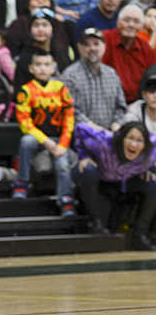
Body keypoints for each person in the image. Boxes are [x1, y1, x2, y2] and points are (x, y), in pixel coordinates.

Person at [73, 121, 156, 249]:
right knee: (88, 170)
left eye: (139, 141)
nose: (134, 144)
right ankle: (96, 223)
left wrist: (148, 167)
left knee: (153, 183)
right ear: (122, 138)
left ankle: (140, 234)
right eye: (130, 138)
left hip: (126, 181)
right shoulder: (104, 142)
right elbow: (80, 128)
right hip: (101, 179)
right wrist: (83, 155)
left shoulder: (152, 148)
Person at [13, 51, 75, 212]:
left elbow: (69, 119)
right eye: (38, 65)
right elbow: (25, 123)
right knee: (26, 141)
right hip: (38, 140)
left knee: (62, 165)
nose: (42, 69)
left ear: (53, 68)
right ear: (31, 68)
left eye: (47, 65)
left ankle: (66, 200)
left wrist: (62, 145)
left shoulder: (61, 88)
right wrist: (46, 142)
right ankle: (21, 183)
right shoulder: (26, 90)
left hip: (58, 140)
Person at [60, 27, 126, 130]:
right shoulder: (70, 76)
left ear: (104, 46)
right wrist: (96, 129)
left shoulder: (112, 74)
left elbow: (121, 107)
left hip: (111, 133)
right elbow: (70, 110)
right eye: (86, 45)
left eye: (96, 44)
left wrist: (116, 125)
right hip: (82, 136)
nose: (92, 48)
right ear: (79, 48)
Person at [102, 4, 156, 103]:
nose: (131, 25)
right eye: (126, 20)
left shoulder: (145, 47)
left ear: (141, 26)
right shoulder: (105, 40)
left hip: (138, 103)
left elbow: (152, 78)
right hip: (107, 100)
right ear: (118, 23)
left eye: (136, 21)